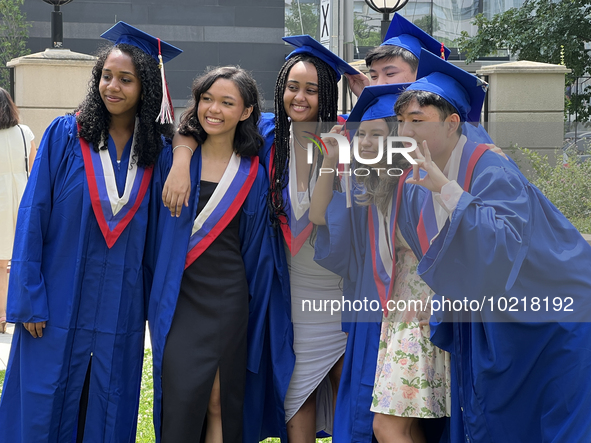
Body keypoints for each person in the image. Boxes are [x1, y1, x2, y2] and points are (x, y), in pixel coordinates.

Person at [395, 49, 591, 442]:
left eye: (418, 121)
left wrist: (448, 190)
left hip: (553, 318)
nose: (407, 132)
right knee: (492, 419)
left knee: (554, 424)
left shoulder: (491, 169)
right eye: (401, 122)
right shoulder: (417, 184)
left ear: (452, 124)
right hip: (495, 321)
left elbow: (501, 246)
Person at [0, 22, 181, 442]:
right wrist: (28, 299)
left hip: (121, 308)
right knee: (46, 407)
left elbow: (161, 243)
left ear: (146, 87)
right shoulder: (65, 136)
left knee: (109, 406)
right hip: (57, 305)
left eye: (126, 79)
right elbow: (33, 214)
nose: (112, 87)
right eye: (106, 76)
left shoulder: (157, 153)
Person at [310, 84, 450, 443]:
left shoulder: (418, 180)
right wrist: (329, 160)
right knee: (400, 422)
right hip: (390, 310)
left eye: (378, 134)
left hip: (420, 313)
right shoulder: (373, 188)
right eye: (362, 135)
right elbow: (319, 216)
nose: (367, 142)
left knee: (390, 425)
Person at [145, 66, 275, 443]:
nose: (213, 109)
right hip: (177, 295)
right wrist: (183, 156)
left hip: (226, 299)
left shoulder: (252, 173)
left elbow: (253, 249)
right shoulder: (174, 161)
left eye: (227, 102)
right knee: (182, 397)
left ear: (247, 112)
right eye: (206, 98)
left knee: (220, 400)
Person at [0, 88, 36, 334]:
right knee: (23, 258)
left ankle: (2, 315)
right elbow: (35, 170)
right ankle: (21, 310)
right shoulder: (25, 133)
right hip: (24, 197)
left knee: (1, 264)